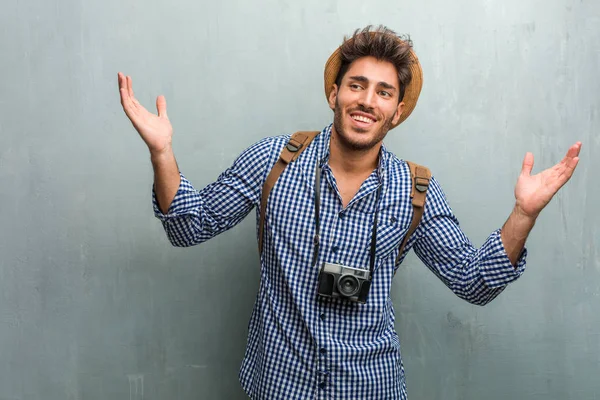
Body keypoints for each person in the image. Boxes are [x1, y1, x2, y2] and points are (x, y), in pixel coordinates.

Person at [118, 25, 581, 400]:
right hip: (279, 384)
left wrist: (523, 213)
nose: (367, 100)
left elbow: (473, 281)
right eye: (356, 85)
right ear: (335, 93)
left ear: (397, 111)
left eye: (383, 92)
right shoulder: (273, 161)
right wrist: (162, 153)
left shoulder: (415, 189)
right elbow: (188, 226)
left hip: (370, 387)